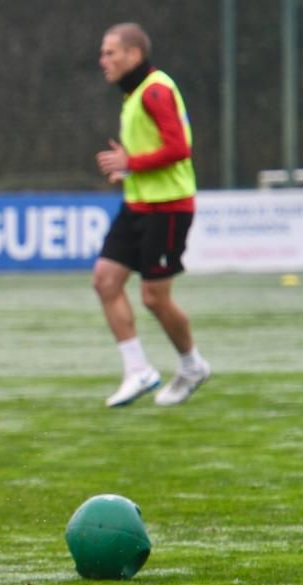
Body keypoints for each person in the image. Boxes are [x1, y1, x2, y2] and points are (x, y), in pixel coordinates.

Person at [93, 23, 211, 408]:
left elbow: (179, 148)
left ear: (134, 55)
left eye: (111, 52)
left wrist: (132, 162)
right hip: (137, 205)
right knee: (106, 281)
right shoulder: (134, 94)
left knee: (154, 298)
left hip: (169, 207)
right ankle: (138, 370)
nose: (103, 60)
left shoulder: (156, 89)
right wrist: (128, 169)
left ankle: (192, 365)